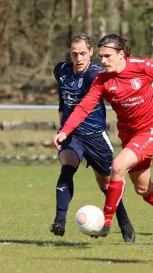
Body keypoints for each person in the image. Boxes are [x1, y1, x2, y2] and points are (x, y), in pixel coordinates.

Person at [53, 34, 153, 239]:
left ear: (121, 54)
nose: (102, 61)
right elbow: (84, 107)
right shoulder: (102, 80)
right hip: (129, 136)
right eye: (101, 56)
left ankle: (105, 222)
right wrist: (65, 131)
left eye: (107, 56)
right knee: (142, 188)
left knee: (118, 166)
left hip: (152, 130)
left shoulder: (143, 67)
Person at [51, 33, 134, 242]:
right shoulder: (61, 71)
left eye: (82, 53)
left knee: (107, 185)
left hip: (95, 136)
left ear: (90, 53)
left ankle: (124, 222)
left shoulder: (96, 75)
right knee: (67, 167)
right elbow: (63, 102)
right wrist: (63, 128)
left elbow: (116, 94)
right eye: (74, 54)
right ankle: (59, 220)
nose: (78, 58)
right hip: (71, 135)